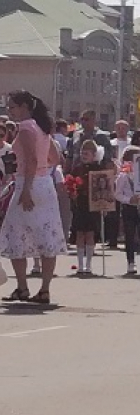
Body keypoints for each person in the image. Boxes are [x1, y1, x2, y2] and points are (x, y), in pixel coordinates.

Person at [0, 91, 66, 304]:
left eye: (13, 107)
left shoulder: (27, 127)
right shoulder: (42, 128)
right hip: (44, 183)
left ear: (24, 106)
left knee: (14, 232)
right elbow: (55, 158)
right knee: (46, 234)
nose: (10, 111)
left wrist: (27, 189)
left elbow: (31, 160)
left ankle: (22, 286)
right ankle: (44, 289)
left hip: (28, 184)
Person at [69, 140, 106, 276]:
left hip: (93, 204)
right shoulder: (77, 168)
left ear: (94, 154)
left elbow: (104, 188)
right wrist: (71, 191)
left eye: (87, 153)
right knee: (79, 233)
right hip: (80, 203)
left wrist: (104, 205)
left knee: (90, 233)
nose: (84, 155)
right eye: (82, 153)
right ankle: (80, 265)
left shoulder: (98, 168)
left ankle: (88, 265)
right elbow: (71, 182)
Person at [114, 146, 140, 275]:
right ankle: (130, 262)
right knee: (129, 235)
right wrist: (129, 199)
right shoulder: (123, 176)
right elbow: (117, 194)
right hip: (129, 208)